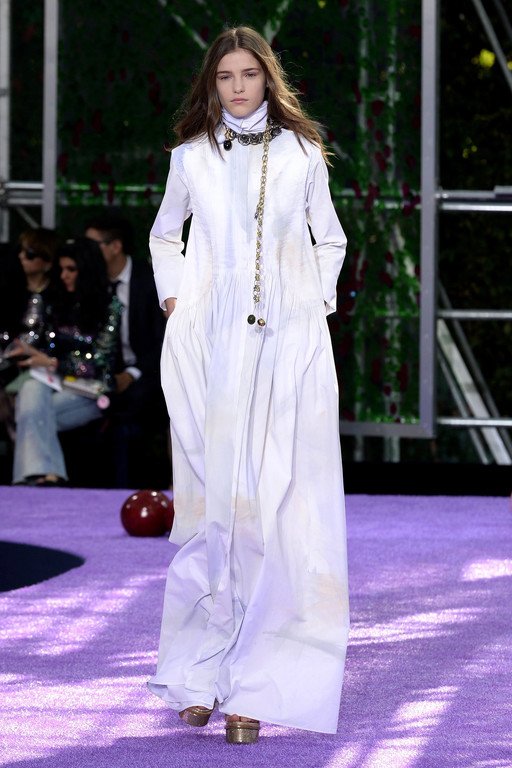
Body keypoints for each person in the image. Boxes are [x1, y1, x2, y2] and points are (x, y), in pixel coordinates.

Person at [148, 26, 349, 744]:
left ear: (268, 78)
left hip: (284, 346)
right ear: (212, 83)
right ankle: (200, 668)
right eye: (225, 76)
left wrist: (311, 306)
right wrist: (176, 299)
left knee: (270, 510)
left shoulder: (301, 153)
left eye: (249, 74)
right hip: (210, 345)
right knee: (213, 509)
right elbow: (165, 236)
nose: (237, 87)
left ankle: (255, 683)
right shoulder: (192, 157)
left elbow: (330, 239)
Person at [10, 237, 122, 486]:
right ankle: (49, 477)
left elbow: (100, 360)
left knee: (31, 411)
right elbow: (43, 343)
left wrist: (54, 362)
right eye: (61, 269)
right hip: (52, 382)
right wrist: (31, 351)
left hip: (91, 390)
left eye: (71, 269)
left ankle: (34, 479)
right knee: (30, 390)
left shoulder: (108, 305)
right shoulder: (55, 301)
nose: (64, 275)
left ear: (87, 270)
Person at [84, 215, 167, 486]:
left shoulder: (150, 280)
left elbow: (164, 339)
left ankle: (129, 487)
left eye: (93, 245)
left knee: (132, 410)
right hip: (103, 376)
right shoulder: (93, 282)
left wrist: (132, 374)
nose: (87, 252)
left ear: (115, 246)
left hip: (149, 372)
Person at [0, 228, 59, 441]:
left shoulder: (58, 295)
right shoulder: (10, 289)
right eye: (22, 251)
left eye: (30, 254)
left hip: (40, 365)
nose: (22, 257)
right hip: (9, 359)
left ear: (47, 261)